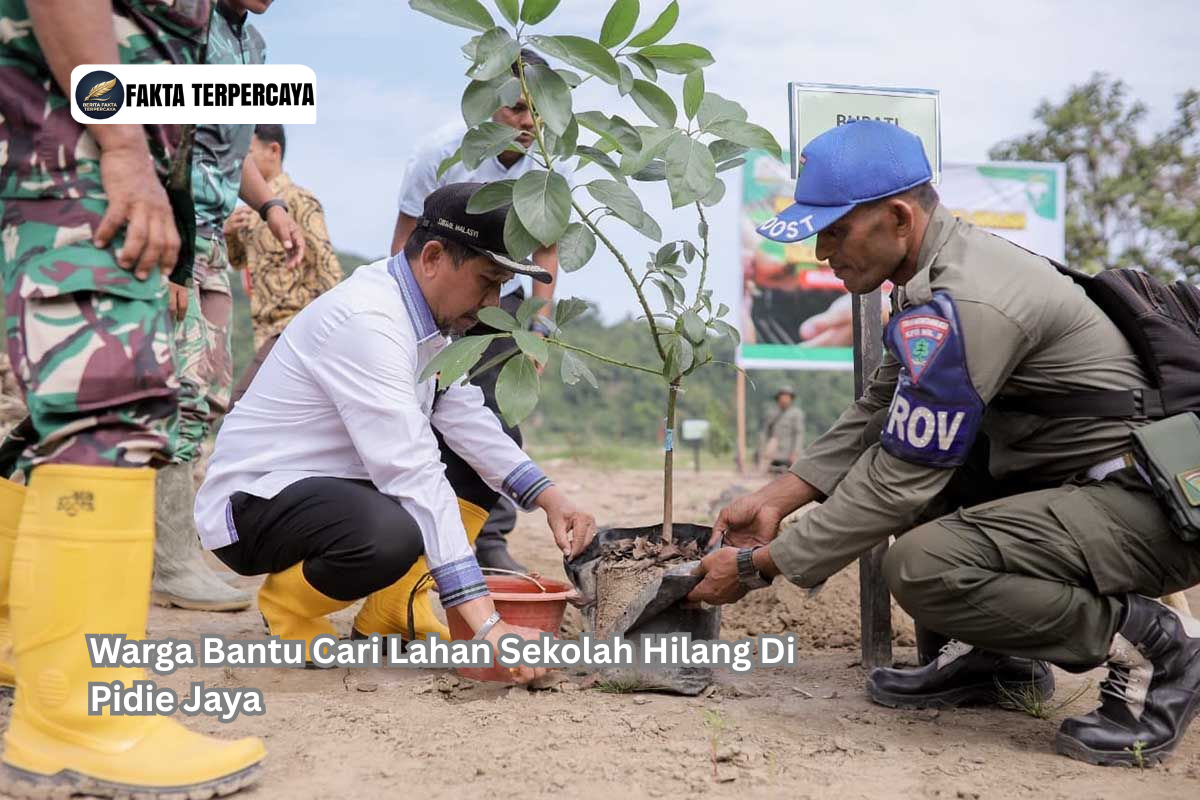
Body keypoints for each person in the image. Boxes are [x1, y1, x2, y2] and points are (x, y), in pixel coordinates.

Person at [691, 120, 1200, 767]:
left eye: (835, 230)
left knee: (924, 565)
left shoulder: (969, 299)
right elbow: (882, 407)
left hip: (1152, 503)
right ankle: (996, 661)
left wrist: (759, 566)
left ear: (898, 218)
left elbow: (898, 477)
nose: (822, 252)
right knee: (928, 491)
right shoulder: (930, 276)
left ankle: (1163, 646)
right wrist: (778, 496)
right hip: (1089, 486)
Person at [0, 0, 265, 795]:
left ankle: (21, 646)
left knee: (41, 412)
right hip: (74, 141)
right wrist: (120, 140)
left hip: (59, 132)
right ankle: (77, 718)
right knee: (107, 404)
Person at [195, 183, 596, 674]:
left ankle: (392, 610)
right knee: (393, 531)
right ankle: (289, 606)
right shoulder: (369, 323)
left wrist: (551, 498)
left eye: (503, 289)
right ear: (432, 257)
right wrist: (490, 627)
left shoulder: (434, 324)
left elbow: (465, 416)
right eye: (487, 281)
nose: (493, 303)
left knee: (490, 450)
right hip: (256, 501)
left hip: (339, 485)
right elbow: (412, 473)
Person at [390, 48, 573, 578]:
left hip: (506, 301)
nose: (527, 122)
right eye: (516, 108)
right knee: (424, 407)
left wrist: (538, 325)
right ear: (488, 103)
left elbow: (545, 255)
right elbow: (405, 241)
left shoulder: (551, 167)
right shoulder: (440, 153)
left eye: (538, 110)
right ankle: (416, 528)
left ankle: (486, 540)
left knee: (495, 417)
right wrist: (410, 321)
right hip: (433, 295)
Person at [154, 0, 307, 613]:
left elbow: (233, 145)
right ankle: (166, 563)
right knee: (175, 392)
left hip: (214, 235)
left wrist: (272, 207)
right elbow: (164, 142)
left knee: (208, 395)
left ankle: (174, 551)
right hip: (171, 228)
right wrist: (174, 255)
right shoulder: (185, 27)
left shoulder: (254, 46)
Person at [226, 123, 342, 405]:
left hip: (294, 330)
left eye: (248, 151)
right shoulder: (249, 212)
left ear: (273, 150)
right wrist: (229, 233)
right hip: (263, 334)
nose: (241, 160)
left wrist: (337, 336)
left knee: (240, 407)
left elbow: (328, 268)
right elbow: (238, 261)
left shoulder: (300, 201)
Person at [758, 386, 805, 474]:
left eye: (787, 397)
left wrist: (795, 452)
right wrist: (763, 449)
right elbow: (764, 432)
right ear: (778, 398)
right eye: (782, 397)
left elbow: (798, 434)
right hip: (773, 453)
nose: (784, 400)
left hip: (788, 453)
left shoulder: (796, 414)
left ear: (791, 399)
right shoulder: (771, 413)